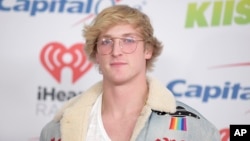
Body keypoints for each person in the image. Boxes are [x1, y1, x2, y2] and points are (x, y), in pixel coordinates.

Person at [40, 5, 221, 141]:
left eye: (128, 40)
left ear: (148, 50)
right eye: (106, 42)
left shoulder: (190, 128)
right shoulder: (58, 130)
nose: (116, 51)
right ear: (96, 53)